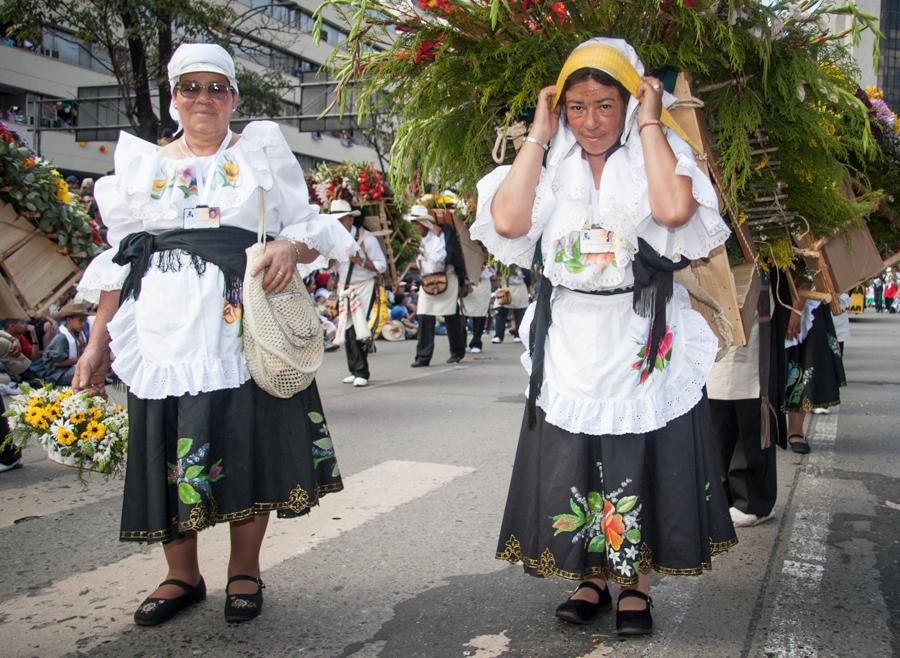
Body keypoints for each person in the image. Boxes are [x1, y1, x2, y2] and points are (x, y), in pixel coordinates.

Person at [71, 44, 356, 627]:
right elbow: (120, 262)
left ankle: (243, 570)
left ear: (234, 97)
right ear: (174, 97)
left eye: (216, 88)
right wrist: (98, 343)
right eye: (190, 87)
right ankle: (181, 575)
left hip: (242, 330)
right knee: (171, 453)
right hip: (162, 336)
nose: (203, 98)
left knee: (243, 447)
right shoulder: (141, 167)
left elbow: (307, 230)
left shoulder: (260, 157)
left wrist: (284, 246)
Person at [471, 38, 736, 635]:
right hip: (570, 334)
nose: (590, 122)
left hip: (641, 333)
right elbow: (510, 221)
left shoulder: (659, 154)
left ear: (630, 100)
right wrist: (540, 131)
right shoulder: (548, 160)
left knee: (636, 453)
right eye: (577, 107)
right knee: (577, 457)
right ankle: (590, 577)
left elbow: (672, 212)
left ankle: (636, 582)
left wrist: (649, 120)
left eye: (606, 105)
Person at [707, 271, 790, 528]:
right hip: (713, 292)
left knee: (749, 403)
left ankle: (753, 500)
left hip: (755, 294)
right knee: (716, 407)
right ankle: (720, 494)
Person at [333, 199, 387, 387]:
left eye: (342, 219)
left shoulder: (367, 239)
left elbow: (381, 266)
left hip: (364, 286)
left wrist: (360, 261)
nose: (339, 224)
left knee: (358, 328)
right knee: (346, 328)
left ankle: (362, 371)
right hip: (344, 287)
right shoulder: (334, 240)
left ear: (350, 219)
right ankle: (354, 369)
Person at [784, 288, 846, 453]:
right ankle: (764, 430)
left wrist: (796, 311)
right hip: (774, 295)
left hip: (806, 302)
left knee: (803, 365)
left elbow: (805, 272)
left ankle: (795, 430)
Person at [406, 205, 467, 367]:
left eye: (416, 223)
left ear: (424, 223)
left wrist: (422, 256)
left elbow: (438, 261)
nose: (414, 227)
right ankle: (423, 357)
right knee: (424, 315)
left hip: (445, 278)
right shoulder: (417, 241)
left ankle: (457, 351)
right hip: (427, 281)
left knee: (450, 315)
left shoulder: (439, 238)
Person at [40, 303, 88, 386]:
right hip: (58, 375)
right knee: (85, 369)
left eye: (85, 321)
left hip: (69, 369)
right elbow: (57, 362)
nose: (83, 324)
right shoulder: (61, 337)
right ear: (69, 320)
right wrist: (81, 359)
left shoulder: (75, 334)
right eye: (80, 320)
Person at [492, 266, 530, 343]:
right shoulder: (504, 264)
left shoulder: (522, 266)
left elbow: (528, 279)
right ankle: (499, 336)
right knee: (501, 314)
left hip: (519, 290)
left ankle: (517, 335)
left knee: (519, 314)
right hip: (506, 289)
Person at [460, 265, 494, 353]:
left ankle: (476, 342)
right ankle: (460, 342)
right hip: (466, 285)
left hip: (482, 285)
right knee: (461, 315)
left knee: (480, 314)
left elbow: (493, 271)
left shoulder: (489, 255)